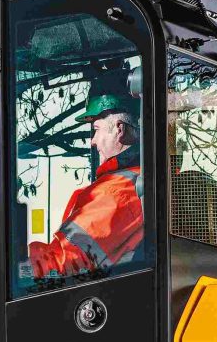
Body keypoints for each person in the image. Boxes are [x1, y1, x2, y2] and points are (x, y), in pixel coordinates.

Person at [25, 91, 144, 280]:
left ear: (119, 130)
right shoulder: (134, 181)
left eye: (96, 129)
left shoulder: (116, 191)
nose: (92, 141)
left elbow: (66, 260)